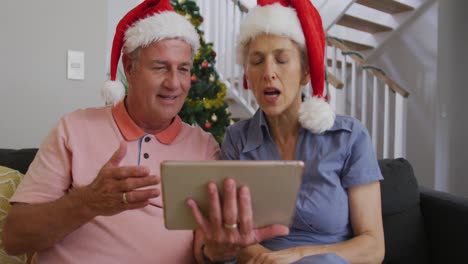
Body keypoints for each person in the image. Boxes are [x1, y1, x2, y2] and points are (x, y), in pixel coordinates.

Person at [2, 0, 223, 263]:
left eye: (183, 69)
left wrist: (222, 249)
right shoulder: (73, 129)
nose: (174, 83)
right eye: (161, 67)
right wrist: (87, 203)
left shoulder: (205, 147)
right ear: (130, 68)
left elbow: (205, 250)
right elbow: (14, 238)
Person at [190, 0, 386, 263]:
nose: (269, 72)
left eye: (282, 60)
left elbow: (373, 247)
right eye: (257, 61)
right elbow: (233, 236)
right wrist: (263, 257)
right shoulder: (237, 139)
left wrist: (297, 256)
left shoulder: (349, 137)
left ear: (305, 72)